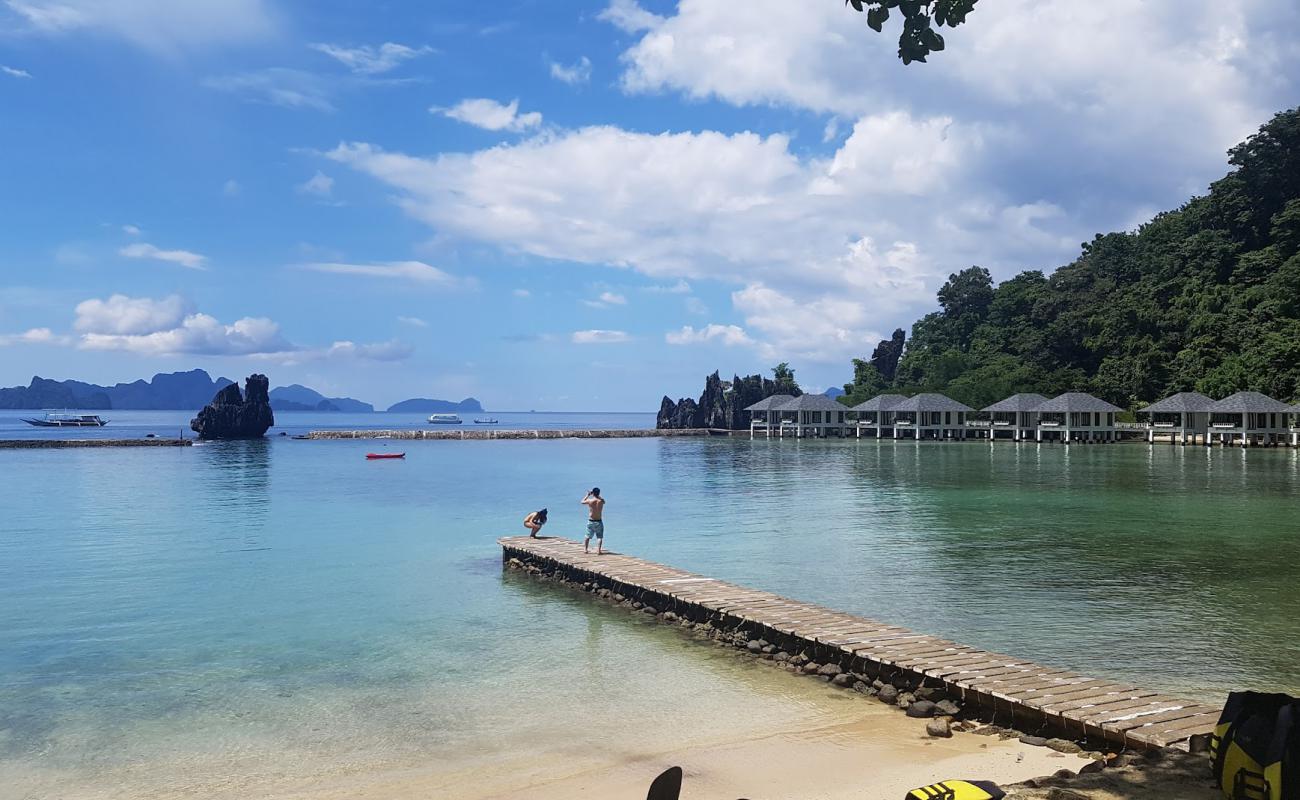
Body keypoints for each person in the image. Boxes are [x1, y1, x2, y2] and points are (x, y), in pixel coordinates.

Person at [581, 487, 605, 554]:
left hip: (591, 521)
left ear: (593, 493)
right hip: (599, 521)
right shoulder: (601, 501)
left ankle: (585, 549)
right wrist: (596, 495)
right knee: (599, 537)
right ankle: (599, 550)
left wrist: (588, 495)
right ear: (599, 493)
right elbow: (603, 500)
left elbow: (582, 501)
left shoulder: (590, 501)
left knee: (587, 536)